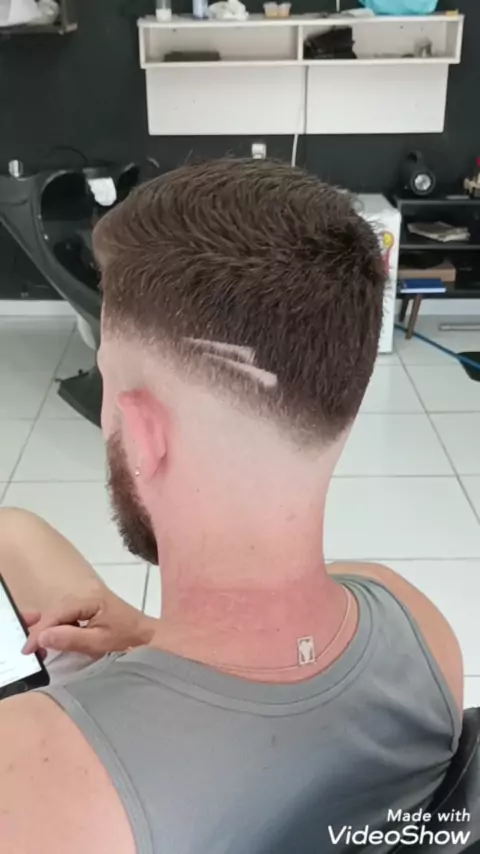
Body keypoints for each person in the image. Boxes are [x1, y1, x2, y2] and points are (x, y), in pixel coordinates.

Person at [0, 159, 463, 854]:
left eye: (106, 382)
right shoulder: (422, 632)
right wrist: (148, 633)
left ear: (145, 434)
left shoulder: (37, 781)